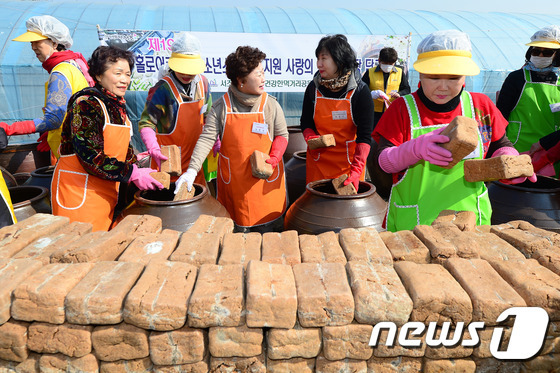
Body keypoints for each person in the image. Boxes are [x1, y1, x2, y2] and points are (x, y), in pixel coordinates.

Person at [373, 29, 537, 232]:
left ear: (465, 77)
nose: (443, 86)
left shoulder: (481, 106)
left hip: (471, 219)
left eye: (453, 78)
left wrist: (508, 161)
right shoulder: (402, 109)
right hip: (415, 222)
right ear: (420, 75)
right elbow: (382, 163)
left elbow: (499, 144)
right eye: (433, 77)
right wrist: (413, 150)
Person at [175, 46, 289, 233]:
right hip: (234, 187)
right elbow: (206, 139)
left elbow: (282, 135)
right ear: (241, 80)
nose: (264, 78)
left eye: (263, 72)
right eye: (258, 74)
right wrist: (192, 171)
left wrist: (275, 157)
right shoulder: (221, 107)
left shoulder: (271, 105)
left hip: (265, 186)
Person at [51, 46, 163, 232]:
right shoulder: (87, 104)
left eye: (127, 74)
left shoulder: (116, 106)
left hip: (105, 190)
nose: (124, 80)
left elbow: (122, 149)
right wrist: (132, 173)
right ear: (98, 75)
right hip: (79, 192)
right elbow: (90, 156)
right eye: (118, 73)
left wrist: (139, 165)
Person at [2, 15, 94, 161]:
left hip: (72, 153)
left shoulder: (60, 72)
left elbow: (54, 119)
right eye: (31, 42)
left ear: (55, 42)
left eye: (37, 41)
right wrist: (52, 132)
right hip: (83, 145)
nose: (33, 47)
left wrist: (10, 129)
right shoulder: (74, 64)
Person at [138, 32, 215, 185]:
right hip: (168, 163)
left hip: (196, 162)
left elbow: (209, 115)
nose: (187, 74)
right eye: (182, 68)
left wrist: (216, 139)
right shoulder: (162, 90)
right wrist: (153, 148)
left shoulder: (203, 84)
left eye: (191, 69)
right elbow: (146, 123)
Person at [300, 34, 374, 190]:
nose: (319, 64)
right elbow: (306, 121)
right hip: (317, 163)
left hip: (348, 168)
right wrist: (311, 138)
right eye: (317, 59)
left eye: (324, 58)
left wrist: (356, 171)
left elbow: (365, 136)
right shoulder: (313, 88)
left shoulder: (360, 92)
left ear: (339, 60)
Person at [497, 25, 560, 171]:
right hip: (517, 149)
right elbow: (500, 116)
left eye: (547, 52)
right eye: (536, 51)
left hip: (551, 152)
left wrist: (547, 144)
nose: (540, 56)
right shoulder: (516, 78)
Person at [362, 46, 411, 129]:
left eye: (391, 64)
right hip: (373, 113)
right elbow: (361, 91)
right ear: (379, 60)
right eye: (385, 63)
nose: (388, 66)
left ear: (394, 62)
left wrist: (399, 94)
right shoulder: (370, 72)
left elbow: (407, 89)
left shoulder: (400, 73)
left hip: (392, 112)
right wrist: (371, 94)